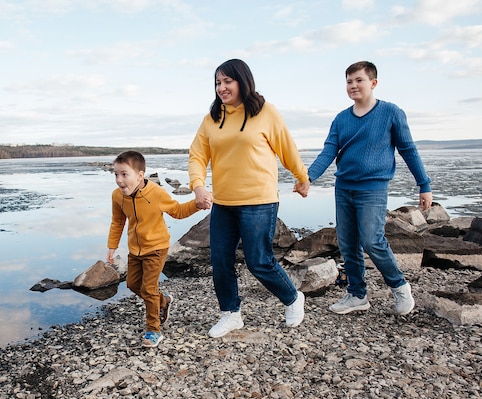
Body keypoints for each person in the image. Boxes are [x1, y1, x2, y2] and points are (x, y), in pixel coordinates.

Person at [188, 58, 310, 338]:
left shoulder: (266, 112)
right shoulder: (212, 118)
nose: (221, 87)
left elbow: (287, 148)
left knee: (259, 261)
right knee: (220, 260)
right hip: (224, 203)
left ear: (243, 81)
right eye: (218, 82)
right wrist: (198, 186)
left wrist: (302, 177)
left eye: (227, 81)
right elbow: (197, 155)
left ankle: (293, 298)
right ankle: (231, 314)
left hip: (259, 200)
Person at [305, 60, 432, 316]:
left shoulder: (391, 112)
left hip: (372, 188)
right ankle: (357, 294)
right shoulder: (341, 119)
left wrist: (424, 185)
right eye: (349, 81)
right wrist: (307, 177)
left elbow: (408, 149)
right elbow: (329, 151)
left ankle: (399, 286)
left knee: (372, 240)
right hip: (343, 188)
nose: (353, 85)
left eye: (359, 80)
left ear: (373, 83)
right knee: (348, 242)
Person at [107, 150, 201, 348]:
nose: (119, 180)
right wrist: (112, 246)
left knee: (148, 289)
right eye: (116, 174)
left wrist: (197, 204)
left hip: (156, 248)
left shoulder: (156, 193)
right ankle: (163, 301)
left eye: (124, 174)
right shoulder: (118, 196)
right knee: (133, 284)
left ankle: (153, 330)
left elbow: (178, 211)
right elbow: (118, 222)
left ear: (140, 175)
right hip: (135, 249)